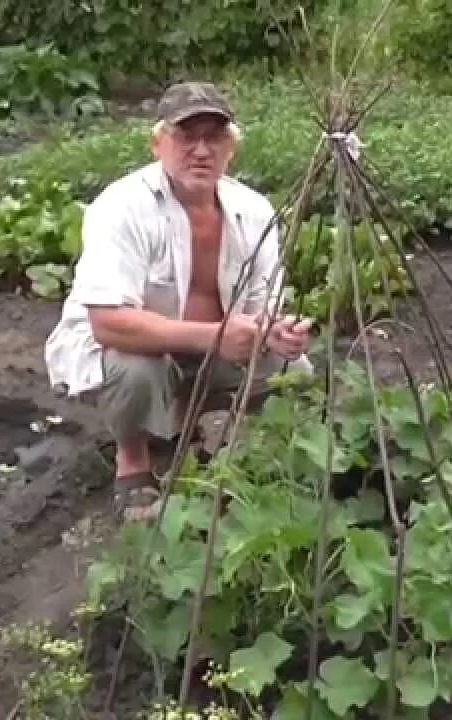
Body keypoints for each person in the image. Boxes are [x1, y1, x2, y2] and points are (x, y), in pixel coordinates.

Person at [44, 81, 313, 522]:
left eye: (214, 138)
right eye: (187, 136)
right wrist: (215, 336)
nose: (201, 151)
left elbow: (266, 303)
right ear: (158, 143)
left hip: (212, 350)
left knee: (294, 373)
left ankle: (202, 428)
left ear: (232, 148)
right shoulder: (122, 207)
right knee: (136, 371)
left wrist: (277, 331)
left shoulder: (255, 211)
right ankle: (133, 461)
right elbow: (108, 325)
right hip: (131, 350)